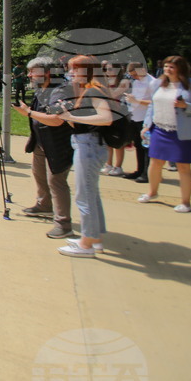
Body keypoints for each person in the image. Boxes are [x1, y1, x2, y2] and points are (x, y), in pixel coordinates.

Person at [48, 55, 115, 257]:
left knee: (84, 196)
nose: (71, 73)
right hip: (88, 143)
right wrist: (67, 115)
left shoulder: (94, 89)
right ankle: (94, 239)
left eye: (74, 69)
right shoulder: (90, 88)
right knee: (91, 195)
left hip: (89, 145)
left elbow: (106, 118)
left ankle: (86, 244)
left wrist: (71, 116)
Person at [11, 57, 75, 239]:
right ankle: (44, 205)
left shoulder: (60, 90)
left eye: (33, 72)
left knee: (56, 182)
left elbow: (56, 120)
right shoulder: (43, 90)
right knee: (38, 173)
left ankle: (63, 224)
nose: (29, 75)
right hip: (41, 142)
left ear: (47, 73)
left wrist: (29, 112)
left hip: (57, 145)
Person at [138, 55, 191, 213]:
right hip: (159, 129)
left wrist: (186, 105)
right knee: (155, 163)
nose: (167, 70)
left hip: (182, 131)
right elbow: (152, 105)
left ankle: (186, 202)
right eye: (166, 66)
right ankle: (152, 192)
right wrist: (146, 125)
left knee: (183, 167)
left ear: (181, 69)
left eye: (171, 67)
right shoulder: (158, 83)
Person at [122, 62, 155, 182]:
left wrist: (136, 100)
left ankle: (147, 173)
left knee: (146, 147)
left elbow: (154, 102)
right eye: (132, 75)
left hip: (146, 119)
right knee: (138, 146)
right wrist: (131, 99)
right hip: (135, 117)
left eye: (135, 74)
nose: (134, 77)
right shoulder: (136, 82)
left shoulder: (152, 82)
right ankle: (139, 170)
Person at [100, 66, 130, 176]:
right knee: (108, 141)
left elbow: (113, 95)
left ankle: (118, 166)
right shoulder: (105, 81)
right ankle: (108, 165)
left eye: (110, 69)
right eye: (105, 69)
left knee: (118, 142)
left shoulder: (123, 81)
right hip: (107, 113)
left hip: (119, 114)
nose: (107, 71)